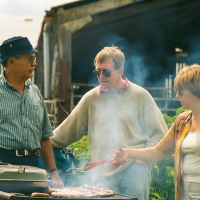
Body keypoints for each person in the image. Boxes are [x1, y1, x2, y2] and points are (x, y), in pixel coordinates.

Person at [50, 46, 168, 199]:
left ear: (120, 71)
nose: (100, 76)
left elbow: (161, 136)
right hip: (101, 175)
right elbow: (64, 134)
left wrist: (141, 158)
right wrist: (39, 143)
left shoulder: (141, 95)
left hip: (134, 174)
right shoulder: (90, 98)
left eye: (105, 71)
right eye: (97, 72)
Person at [112, 64, 200, 200]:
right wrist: (128, 152)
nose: (177, 96)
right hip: (184, 192)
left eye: (181, 91)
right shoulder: (182, 121)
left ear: (196, 90)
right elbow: (158, 151)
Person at [0, 36, 64, 188]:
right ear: (11, 61)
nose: (34, 63)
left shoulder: (35, 92)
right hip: (3, 166)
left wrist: (54, 172)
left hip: (33, 166)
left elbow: (44, 136)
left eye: (34, 59)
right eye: (29, 59)